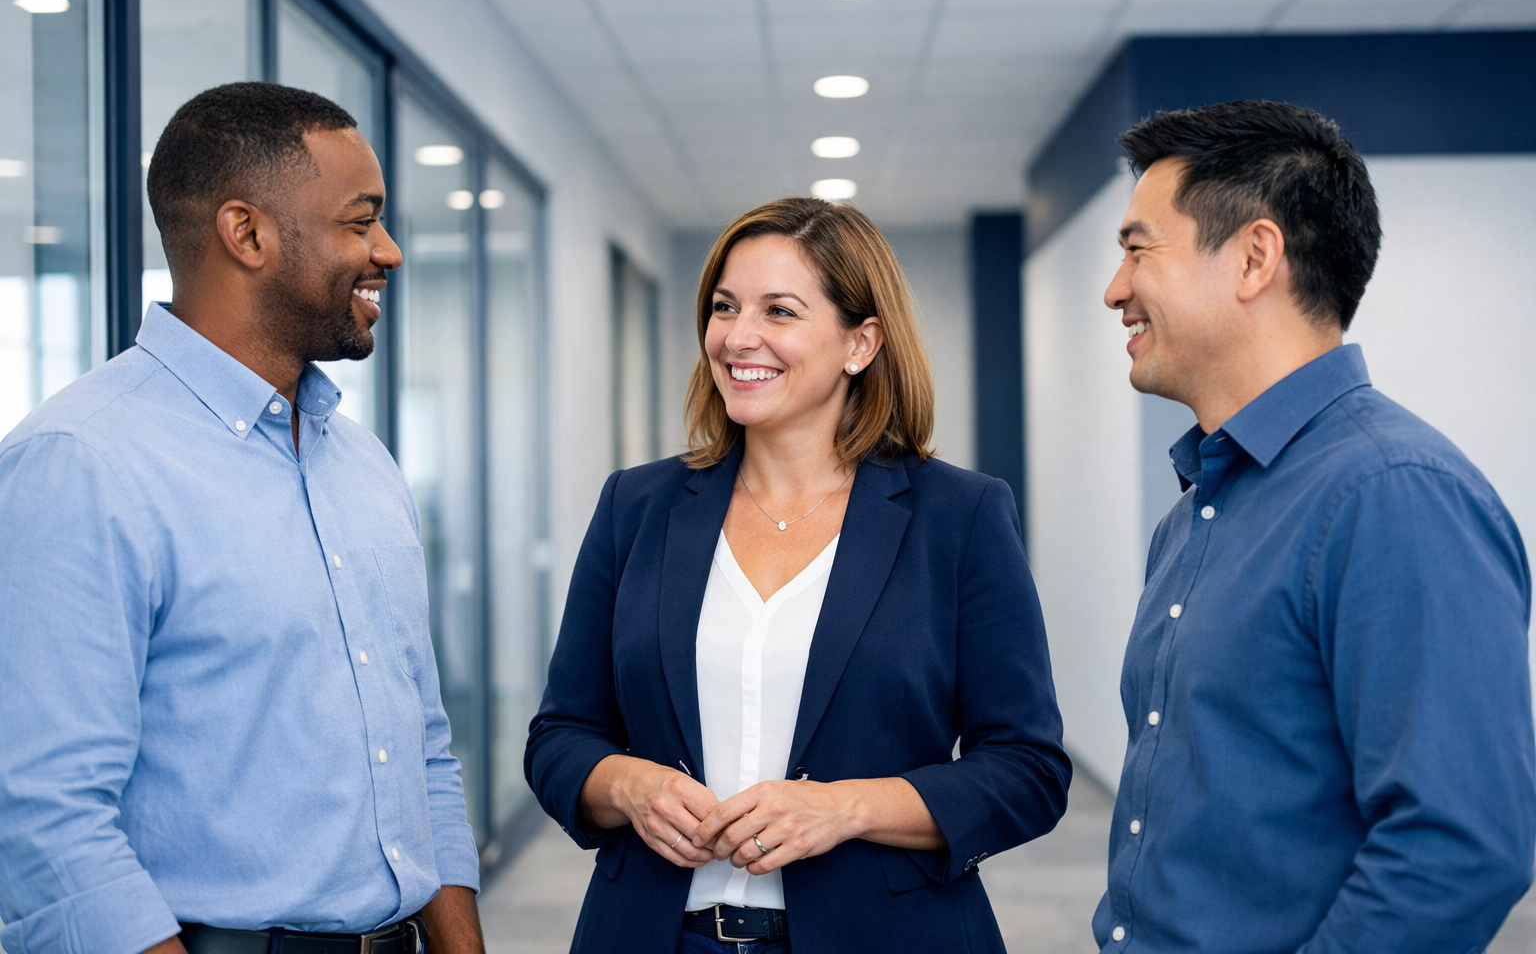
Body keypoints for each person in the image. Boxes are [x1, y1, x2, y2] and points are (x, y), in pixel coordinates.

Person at [0, 83, 484, 954]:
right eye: (360, 221)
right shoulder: (81, 463)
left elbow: (422, 750)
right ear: (247, 233)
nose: (389, 251)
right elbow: (45, 820)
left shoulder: (363, 465)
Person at [526, 197, 1071, 954]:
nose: (737, 336)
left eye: (779, 311)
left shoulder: (960, 515)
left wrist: (844, 809)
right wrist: (626, 785)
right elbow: (560, 737)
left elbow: (1027, 769)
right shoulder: (636, 505)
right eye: (724, 307)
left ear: (861, 343)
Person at [1095, 99, 1535, 952]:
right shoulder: (1196, 513)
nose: (1115, 289)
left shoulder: (1393, 495)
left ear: (1254, 258)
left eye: (1138, 250)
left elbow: (1457, 848)